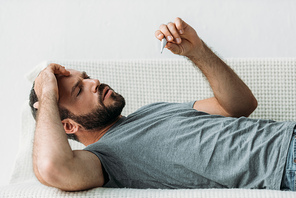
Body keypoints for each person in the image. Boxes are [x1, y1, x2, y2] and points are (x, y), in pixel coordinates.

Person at [29, 17, 295, 191]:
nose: (94, 81)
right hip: (284, 165)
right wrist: (47, 92)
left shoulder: (151, 110)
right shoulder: (102, 158)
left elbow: (240, 106)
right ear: (68, 125)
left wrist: (197, 51)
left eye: (85, 77)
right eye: (79, 90)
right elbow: (54, 168)